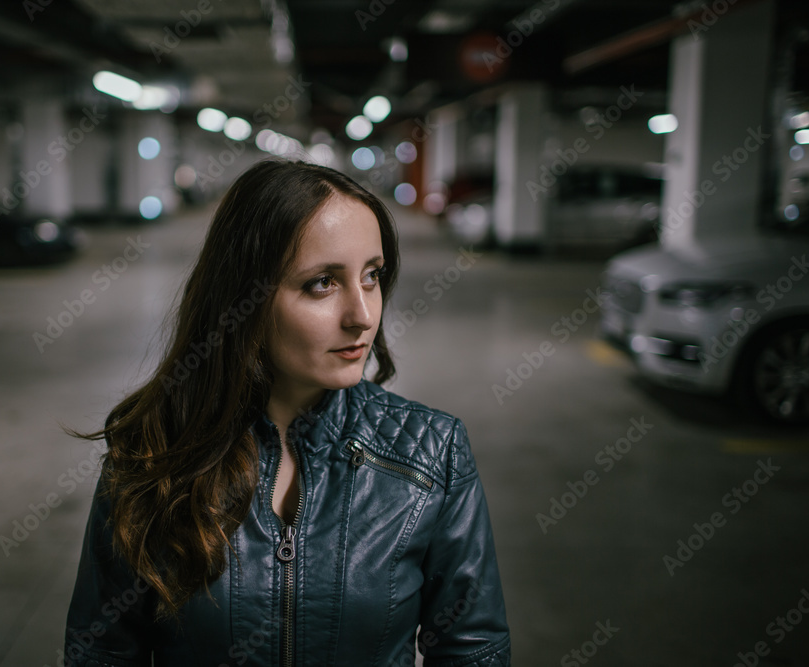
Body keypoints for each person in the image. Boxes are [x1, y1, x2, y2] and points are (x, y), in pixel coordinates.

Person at [64, 159, 510, 666]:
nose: (362, 315)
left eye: (372, 276)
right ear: (243, 297)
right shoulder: (151, 453)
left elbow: (473, 650)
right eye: (322, 282)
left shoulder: (432, 452)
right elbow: (101, 652)